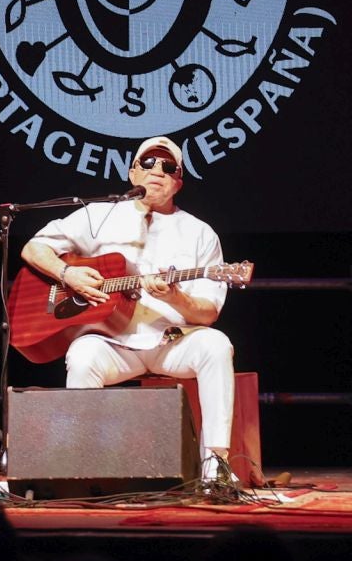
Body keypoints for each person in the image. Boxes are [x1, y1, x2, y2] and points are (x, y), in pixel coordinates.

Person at [17, 135, 237, 482]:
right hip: (114, 343)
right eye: (148, 163)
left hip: (170, 343)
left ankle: (215, 465)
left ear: (178, 181)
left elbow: (208, 313)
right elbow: (34, 248)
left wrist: (173, 297)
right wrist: (67, 273)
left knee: (216, 344)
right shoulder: (100, 216)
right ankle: (84, 466)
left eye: (168, 167)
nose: (157, 171)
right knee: (83, 354)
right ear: (133, 172)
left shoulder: (200, 233)